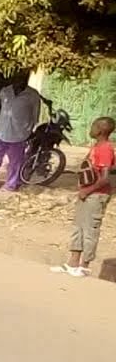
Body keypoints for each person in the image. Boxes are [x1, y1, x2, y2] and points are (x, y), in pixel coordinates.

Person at [53, 117, 116, 278]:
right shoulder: (97, 146)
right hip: (87, 194)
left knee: (90, 230)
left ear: (101, 130)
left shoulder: (105, 149)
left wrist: (87, 191)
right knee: (78, 228)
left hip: (96, 195)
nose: (91, 128)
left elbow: (105, 178)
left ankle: (84, 266)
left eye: (94, 126)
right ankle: (72, 263)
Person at [0, 73, 43, 192]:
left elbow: (35, 115)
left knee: (15, 162)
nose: (20, 80)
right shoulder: (5, 91)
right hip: (1, 132)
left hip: (19, 134)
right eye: (17, 78)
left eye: (23, 78)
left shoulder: (32, 95)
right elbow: (3, 109)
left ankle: (11, 185)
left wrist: (29, 130)